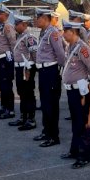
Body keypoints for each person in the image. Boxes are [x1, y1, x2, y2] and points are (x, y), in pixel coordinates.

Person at [61, 21, 90, 168]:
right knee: (76, 122)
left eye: (66, 31)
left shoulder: (82, 48)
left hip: (81, 90)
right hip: (72, 90)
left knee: (84, 123)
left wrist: (89, 83)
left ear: (73, 32)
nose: (64, 34)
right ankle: (74, 150)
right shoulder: (71, 46)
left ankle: (84, 156)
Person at [33, 8, 66, 147]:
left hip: (51, 72)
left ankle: (53, 136)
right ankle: (46, 131)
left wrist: (58, 71)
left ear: (45, 19)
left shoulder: (53, 33)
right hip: (43, 72)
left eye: (38, 18)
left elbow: (60, 54)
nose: (36, 20)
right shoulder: (44, 32)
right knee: (45, 104)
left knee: (51, 105)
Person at [9, 14, 39, 130]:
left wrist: (30, 69)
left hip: (26, 69)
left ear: (24, 24)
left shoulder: (29, 37)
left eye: (17, 24)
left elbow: (34, 54)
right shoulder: (20, 36)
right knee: (22, 93)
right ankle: (23, 117)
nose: (15, 26)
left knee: (28, 94)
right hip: (19, 68)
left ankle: (31, 120)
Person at [0, 6, 17, 119]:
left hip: (5, 60)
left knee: (6, 85)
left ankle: (10, 110)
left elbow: (13, 44)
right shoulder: (0, 27)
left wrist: (11, 61)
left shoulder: (8, 27)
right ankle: (3, 107)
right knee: (1, 84)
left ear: (5, 15)